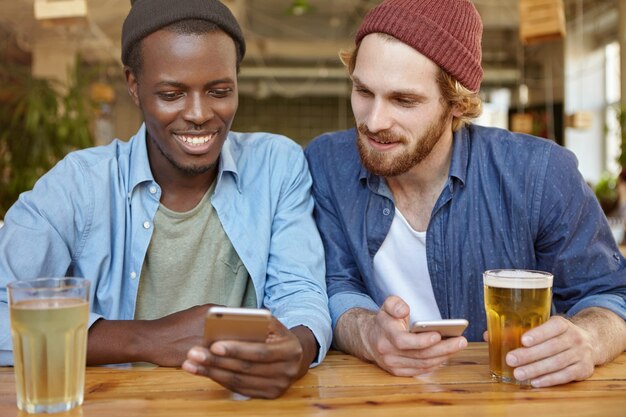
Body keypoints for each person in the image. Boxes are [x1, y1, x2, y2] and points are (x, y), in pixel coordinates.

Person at [0, 0, 331, 399]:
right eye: (172, 93)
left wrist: (296, 349)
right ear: (134, 86)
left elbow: (301, 293)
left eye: (219, 91)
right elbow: (5, 312)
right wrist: (147, 339)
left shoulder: (277, 166)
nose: (199, 114)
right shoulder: (78, 185)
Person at [304, 0, 626, 387]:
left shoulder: (539, 174)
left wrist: (589, 339)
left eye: (404, 100)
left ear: (458, 104)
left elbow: (610, 294)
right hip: (376, 398)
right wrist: (369, 333)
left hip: (508, 398)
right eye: (363, 91)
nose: (373, 121)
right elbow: (336, 285)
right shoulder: (326, 163)